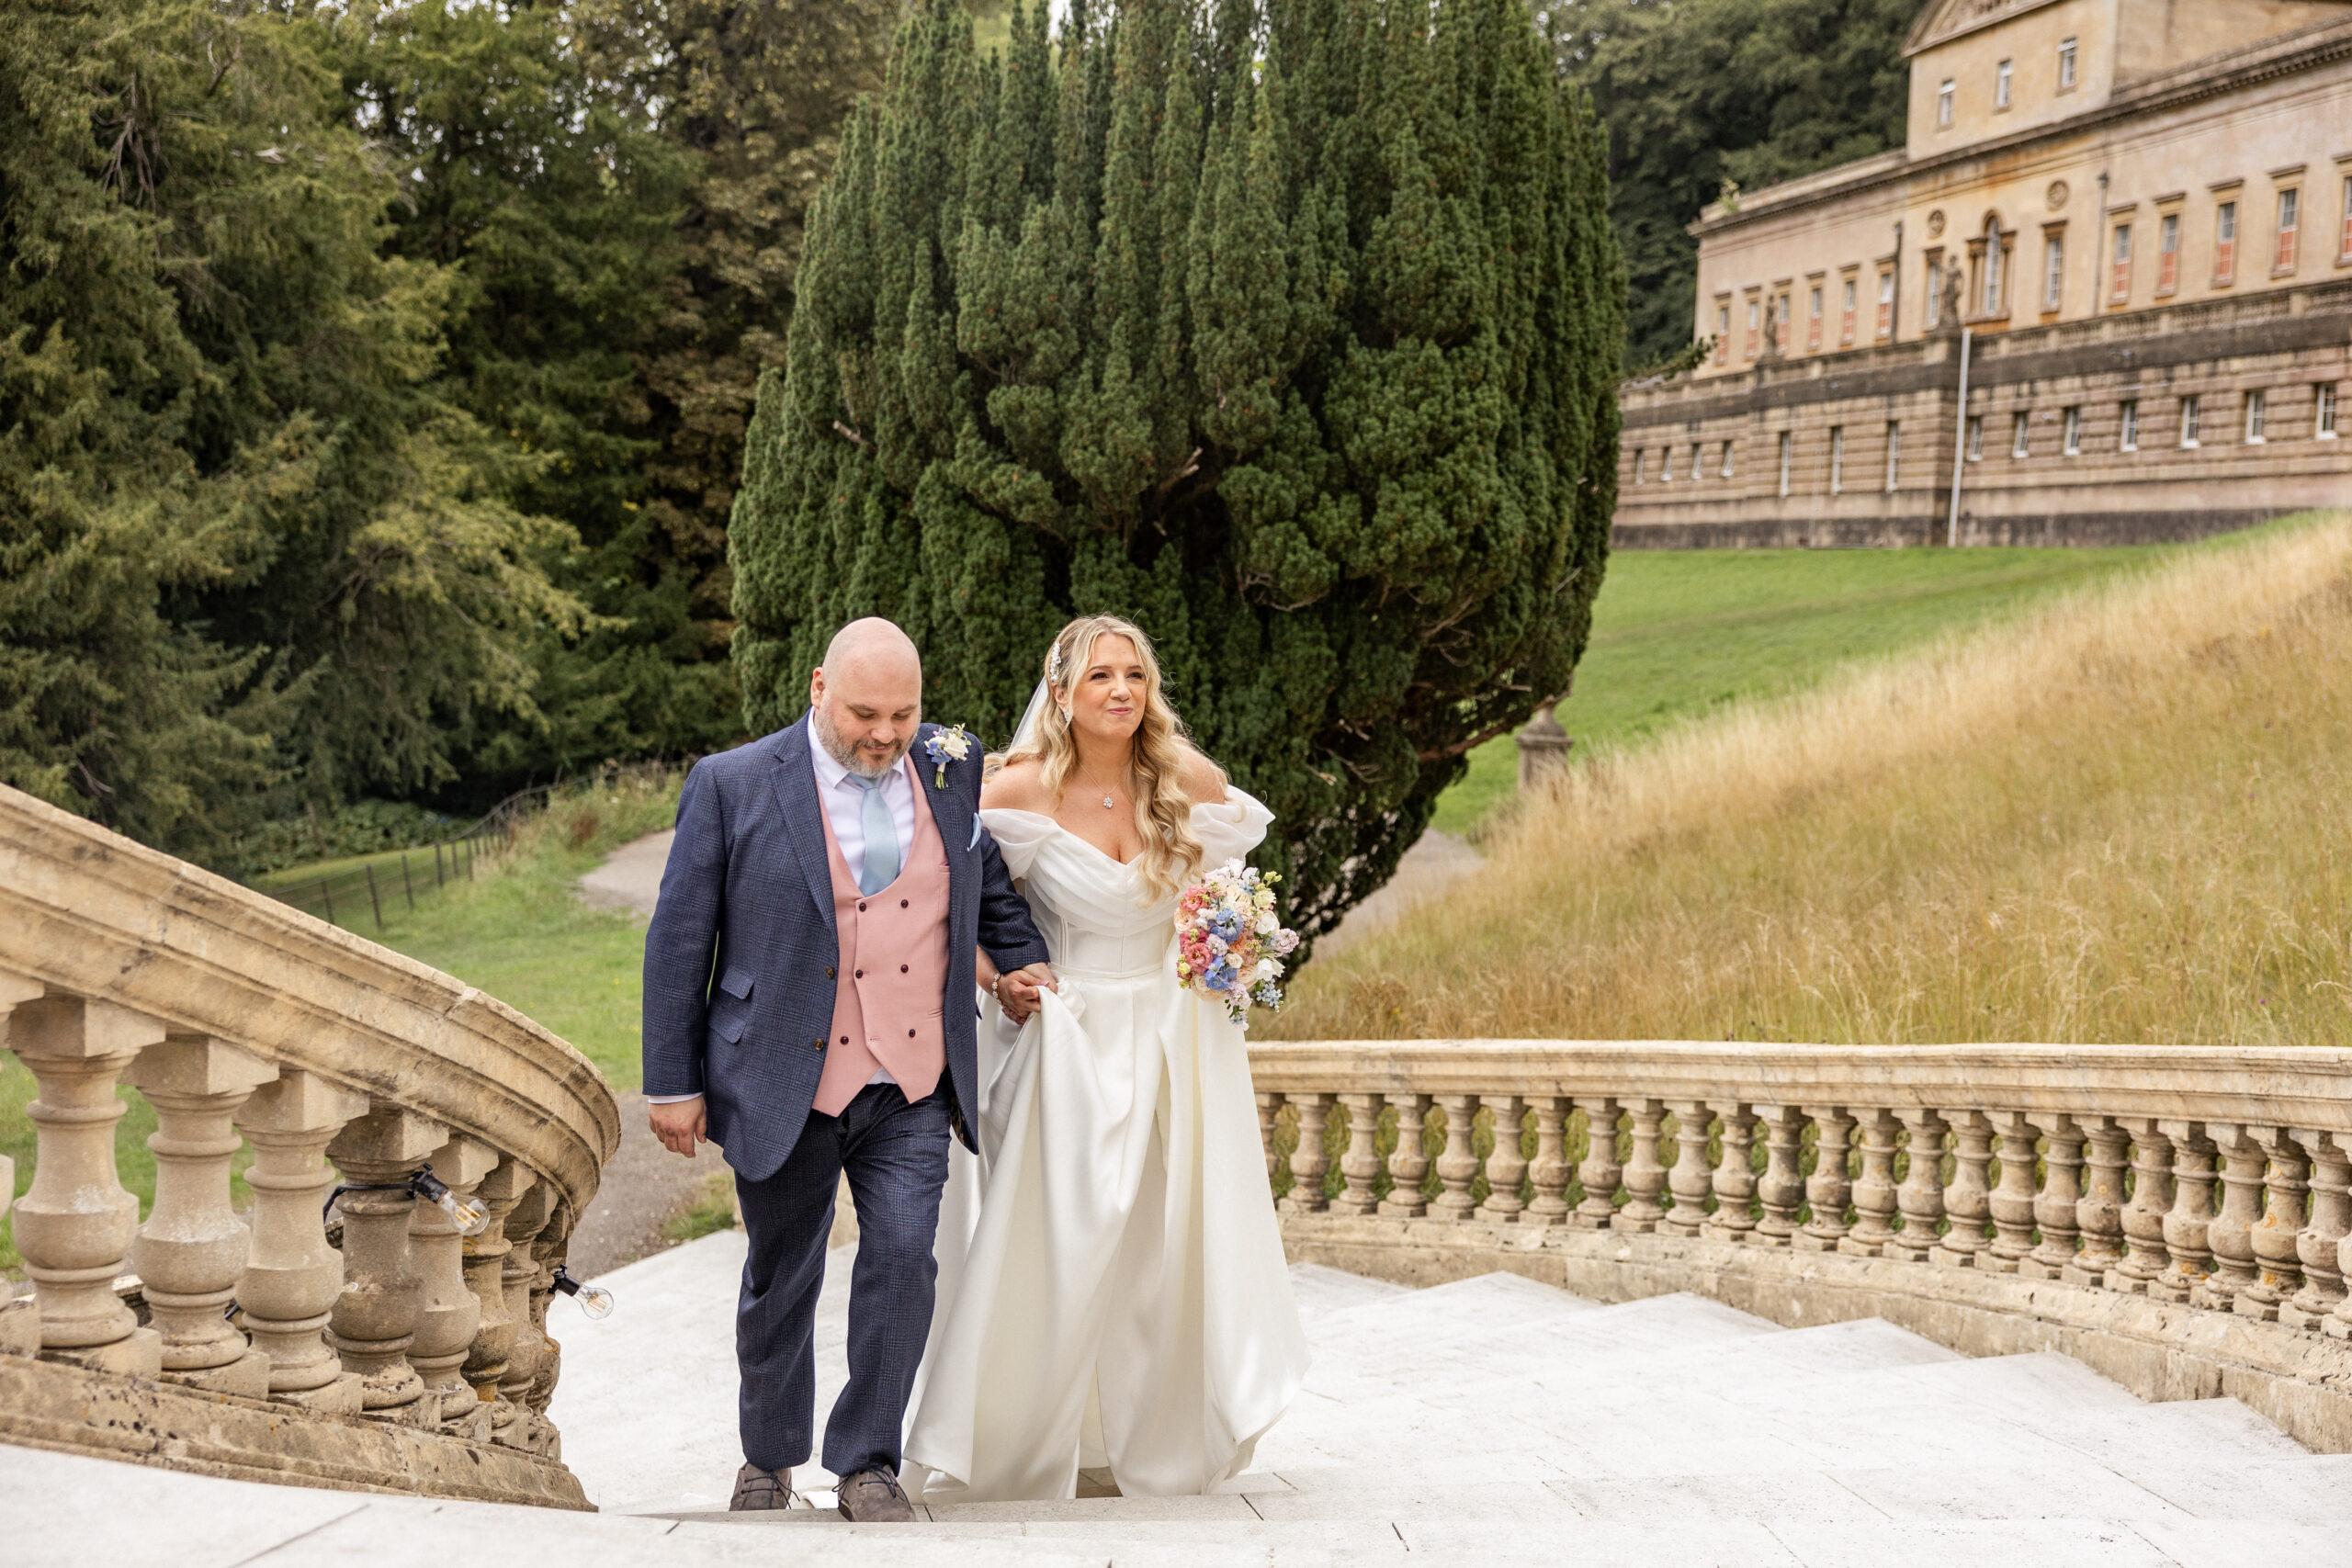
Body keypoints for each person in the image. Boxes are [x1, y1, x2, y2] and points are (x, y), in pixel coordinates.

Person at [639, 617, 1055, 1521]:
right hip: (780, 1076)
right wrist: (673, 1081)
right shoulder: (733, 782)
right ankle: (768, 1456)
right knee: (781, 1274)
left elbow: (983, 883)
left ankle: (867, 1461)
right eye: (866, 713)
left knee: (904, 1263)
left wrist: (1020, 961)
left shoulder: (949, 764)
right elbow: (678, 937)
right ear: (819, 688)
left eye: (903, 714)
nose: (886, 733)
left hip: (912, 1078)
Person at [904, 614, 1309, 1503]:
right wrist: (998, 977)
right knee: (1062, 1240)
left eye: (1133, 674)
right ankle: (1020, 1436)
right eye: (1099, 675)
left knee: (1158, 1248)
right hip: (1066, 1038)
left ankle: (1157, 1435)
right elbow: (948, 901)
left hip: (1172, 1038)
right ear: (1060, 693)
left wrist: (1231, 941)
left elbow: (1227, 890)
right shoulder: (1017, 789)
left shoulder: (1185, 779)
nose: (1121, 690)